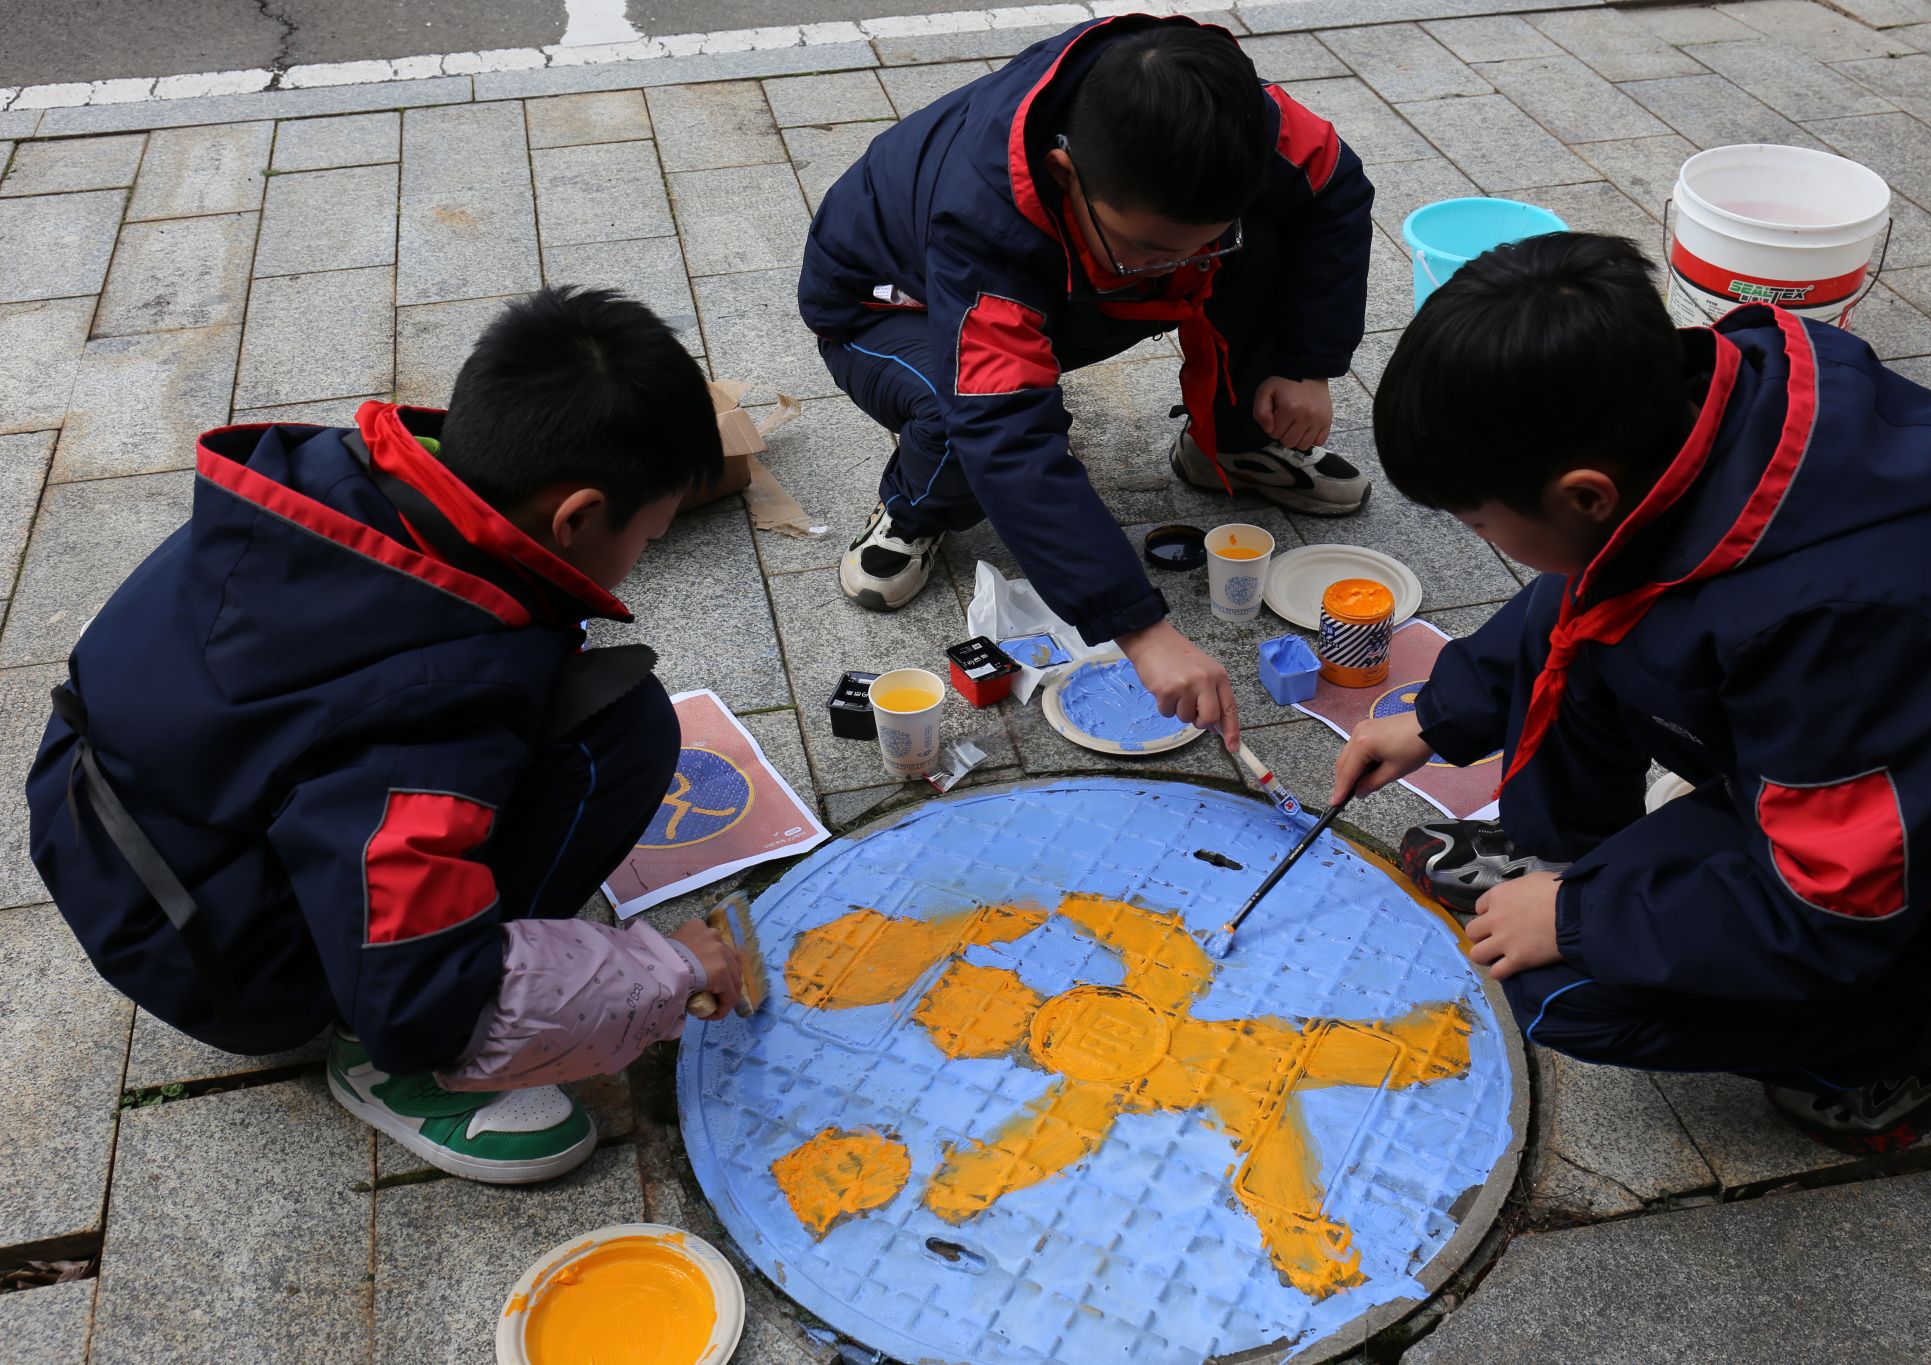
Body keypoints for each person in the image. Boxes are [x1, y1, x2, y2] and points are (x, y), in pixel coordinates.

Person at [1333, 232, 1931, 1155]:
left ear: (1586, 494)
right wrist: (1437, 716)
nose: (1483, 536)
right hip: (1848, 777)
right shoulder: (1688, 430)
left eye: (1478, 523)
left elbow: (1837, 905)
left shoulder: (1835, 626)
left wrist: (1578, 921)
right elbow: (1585, 601)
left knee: (1561, 992)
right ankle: (1566, 860)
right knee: (1585, 638)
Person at [26, 287, 747, 1185]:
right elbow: (415, 987)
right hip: (208, 951)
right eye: (650, 532)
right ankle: (386, 1069)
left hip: (109, 821)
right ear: (576, 516)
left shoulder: (350, 483)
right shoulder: (435, 696)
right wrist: (667, 971)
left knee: (598, 708)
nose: (644, 554)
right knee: (619, 737)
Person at [799, 13, 1376, 746]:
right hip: (887, 304)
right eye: (1153, 246)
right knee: (960, 415)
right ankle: (913, 510)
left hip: (1071, 279)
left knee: (1259, 236)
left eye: (1201, 241)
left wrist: (1305, 362)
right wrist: (1139, 627)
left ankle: (1231, 443)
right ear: (1065, 173)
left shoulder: (1235, 117)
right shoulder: (983, 224)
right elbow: (1005, 431)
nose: (1184, 263)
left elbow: (1333, 192)